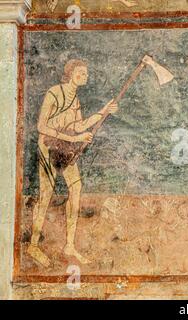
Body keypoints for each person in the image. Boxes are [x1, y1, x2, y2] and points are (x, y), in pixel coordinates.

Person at [27, 59, 118, 267]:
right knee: (46, 193)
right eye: (80, 72)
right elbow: (41, 126)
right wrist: (75, 139)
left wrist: (103, 112)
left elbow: (78, 125)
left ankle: (69, 245)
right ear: (70, 73)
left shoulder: (75, 99)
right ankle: (33, 245)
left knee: (76, 188)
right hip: (48, 146)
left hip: (65, 147)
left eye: (86, 73)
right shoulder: (54, 93)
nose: (84, 76)